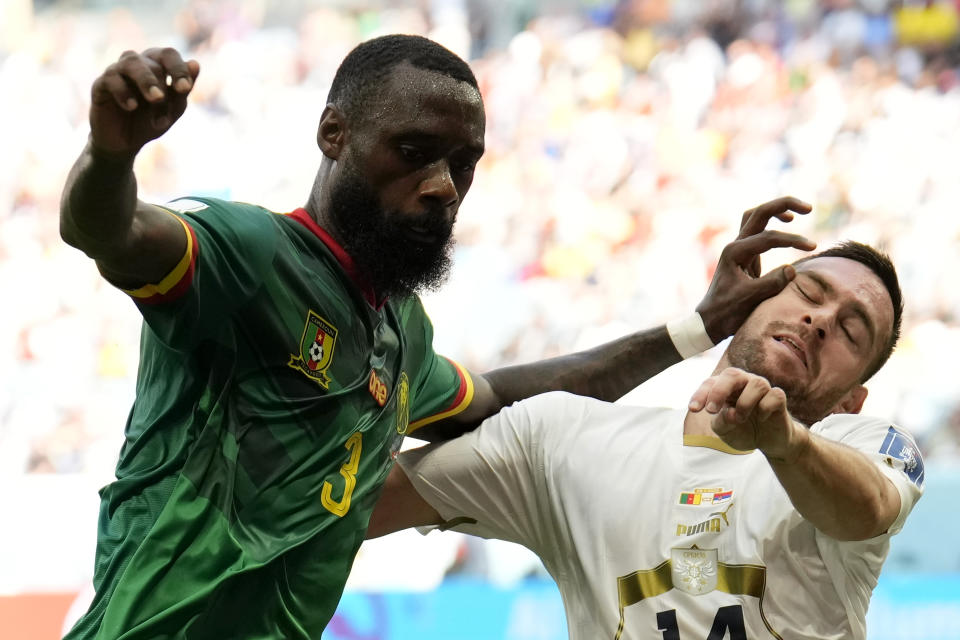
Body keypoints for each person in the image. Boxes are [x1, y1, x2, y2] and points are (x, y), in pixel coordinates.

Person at [59, 34, 814, 639]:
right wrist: (111, 153)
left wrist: (697, 327)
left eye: (464, 164)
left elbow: (498, 403)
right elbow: (111, 231)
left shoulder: (396, 331)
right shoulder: (250, 254)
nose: (444, 187)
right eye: (415, 153)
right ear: (334, 133)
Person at [369, 241, 924, 640]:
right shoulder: (567, 442)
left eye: (852, 331)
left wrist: (786, 444)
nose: (820, 319)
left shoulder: (867, 450)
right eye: (809, 289)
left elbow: (868, 508)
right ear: (748, 303)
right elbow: (352, 502)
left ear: (852, 401)